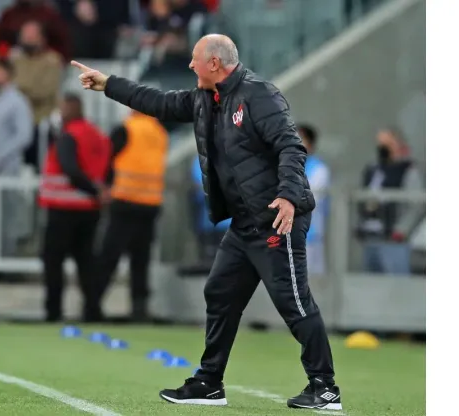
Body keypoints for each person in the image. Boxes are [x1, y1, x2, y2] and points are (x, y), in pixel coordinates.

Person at [70, 33, 341, 411]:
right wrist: (108, 84)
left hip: (278, 218)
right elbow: (158, 102)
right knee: (219, 292)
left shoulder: (259, 95)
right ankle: (209, 382)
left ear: (214, 63)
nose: (190, 66)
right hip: (246, 223)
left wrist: (290, 195)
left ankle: (325, 388)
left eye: (195, 59)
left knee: (293, 302)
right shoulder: (204, 98)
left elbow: (291, 147)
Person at [38, 94, 111, 323]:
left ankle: (53, 311)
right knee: (87, 261)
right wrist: (100, 191)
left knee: (53, 261)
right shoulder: (98, 136)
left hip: (63, 208)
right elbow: (108, 167)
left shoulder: (68, 136)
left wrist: (91, 189)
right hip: (90, 210)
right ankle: (92, 310)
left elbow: (70, 168)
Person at [95, 110, 168, 322]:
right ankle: (139, 308)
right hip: (150, 204)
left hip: (125, 200)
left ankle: (93, 303)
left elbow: (106, 158)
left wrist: (105, 186)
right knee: (141, 259)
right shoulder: (159, 132)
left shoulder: (126, 129)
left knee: (109, 256)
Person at [357, 128, 423, 275]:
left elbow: (416, 205)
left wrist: (401, 230)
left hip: (393, 238)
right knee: (370, 283)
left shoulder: (408, 170)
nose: (382, 148)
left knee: (396, 286)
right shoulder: (373, 169)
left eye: (387, 144)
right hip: (370, 236)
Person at [12, 20, 64, 170]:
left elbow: (44, 91)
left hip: (40, 123)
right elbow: (7, 86)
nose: (27, 39)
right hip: (14, 124)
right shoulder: (14, 59)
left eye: (31, 36)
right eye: (25, 35)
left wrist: (20, 90)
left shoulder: (52, 60)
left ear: (42, 38)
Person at [0, 0, 70, 63]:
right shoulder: (9, 15)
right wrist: (6, 53)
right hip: (14, 62)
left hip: (45, 62)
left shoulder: (50, 15)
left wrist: (49, 54)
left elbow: (62, 44)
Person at [299, 124, 330, 276]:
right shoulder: (284, 166)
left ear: (310, 145)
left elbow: (309, 200)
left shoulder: (319, 169)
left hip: (310, 236)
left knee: (311, 282)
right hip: (285, 236)